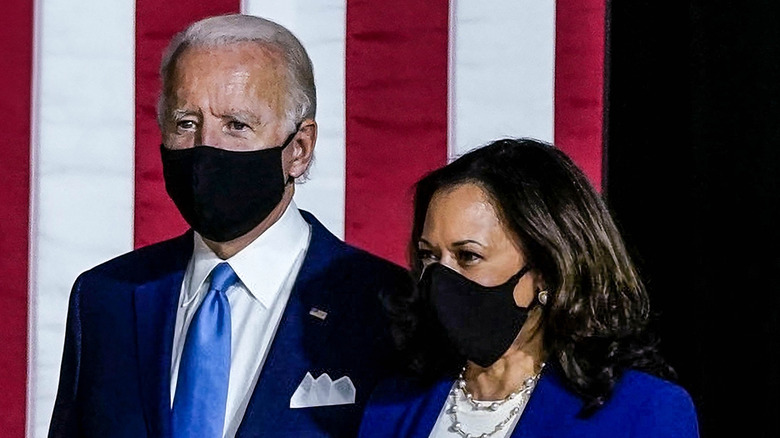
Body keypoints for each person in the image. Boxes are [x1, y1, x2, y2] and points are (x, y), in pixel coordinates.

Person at [48, 13, 411, 438]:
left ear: (299, 148)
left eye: (237, 125)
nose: (206, 148)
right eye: (187, 123)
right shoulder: (104, 298)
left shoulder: (389, 307)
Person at [358, 138, 699, 437]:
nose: (440, 278)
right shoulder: (392, 404)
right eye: (429, 256)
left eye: (468, 256)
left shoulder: (644, 410)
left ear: (547, 270)